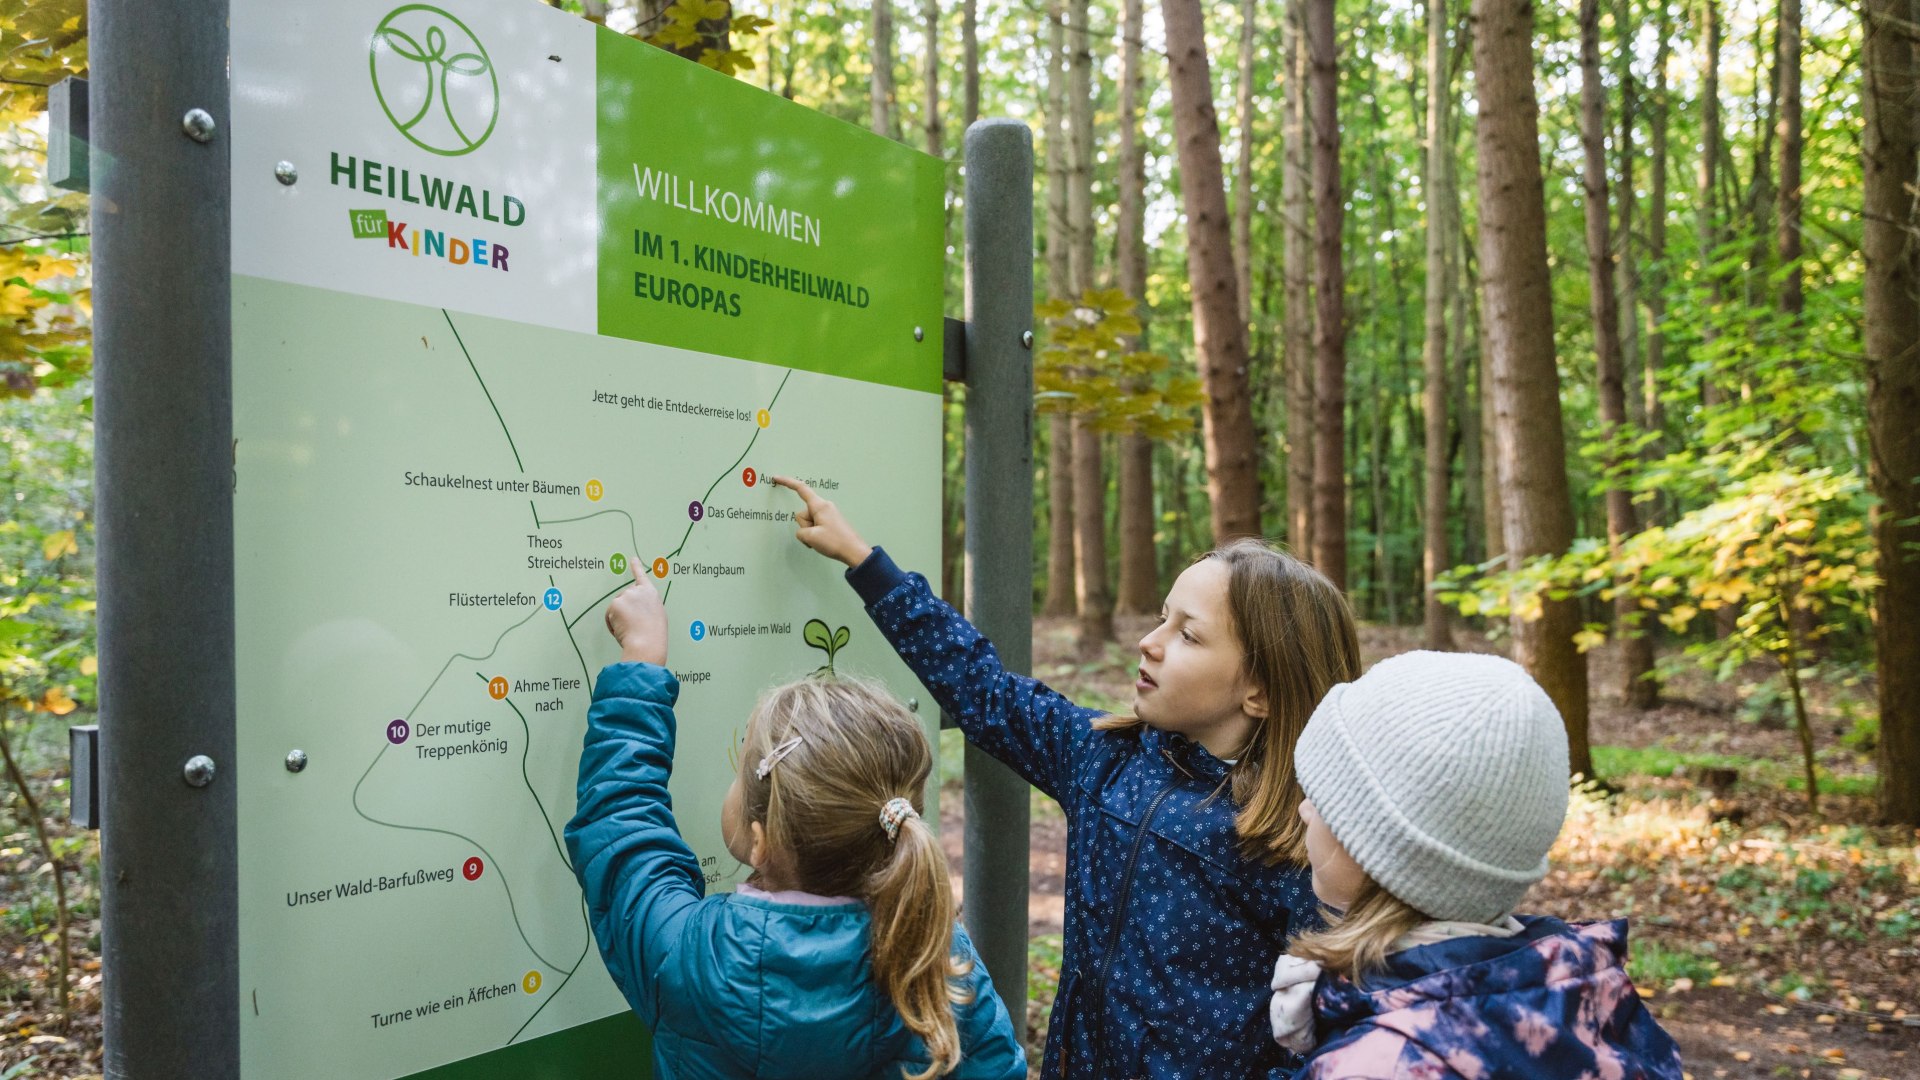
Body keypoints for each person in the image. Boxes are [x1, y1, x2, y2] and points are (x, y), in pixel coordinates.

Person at [772, 476, 1362, 1078]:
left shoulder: (1300, 841)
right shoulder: (1105, 759)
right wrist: (866, 564)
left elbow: (1329, 1029)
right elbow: (983, 689)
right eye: (1161, 618)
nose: (1149, 642)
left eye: (1187, 634)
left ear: (1260, 689)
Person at [566, 569, 1027, 1080]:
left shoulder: (692, 957)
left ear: (759, 841)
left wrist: (640, 662)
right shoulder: (939, 957)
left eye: (740, 772)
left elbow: (624, 826)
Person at [1269, 651, 1684, 1079]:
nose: (1304, 810)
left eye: (1323, 799)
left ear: (1375, 850)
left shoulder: (1377, 1065)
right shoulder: (1593, 1006)